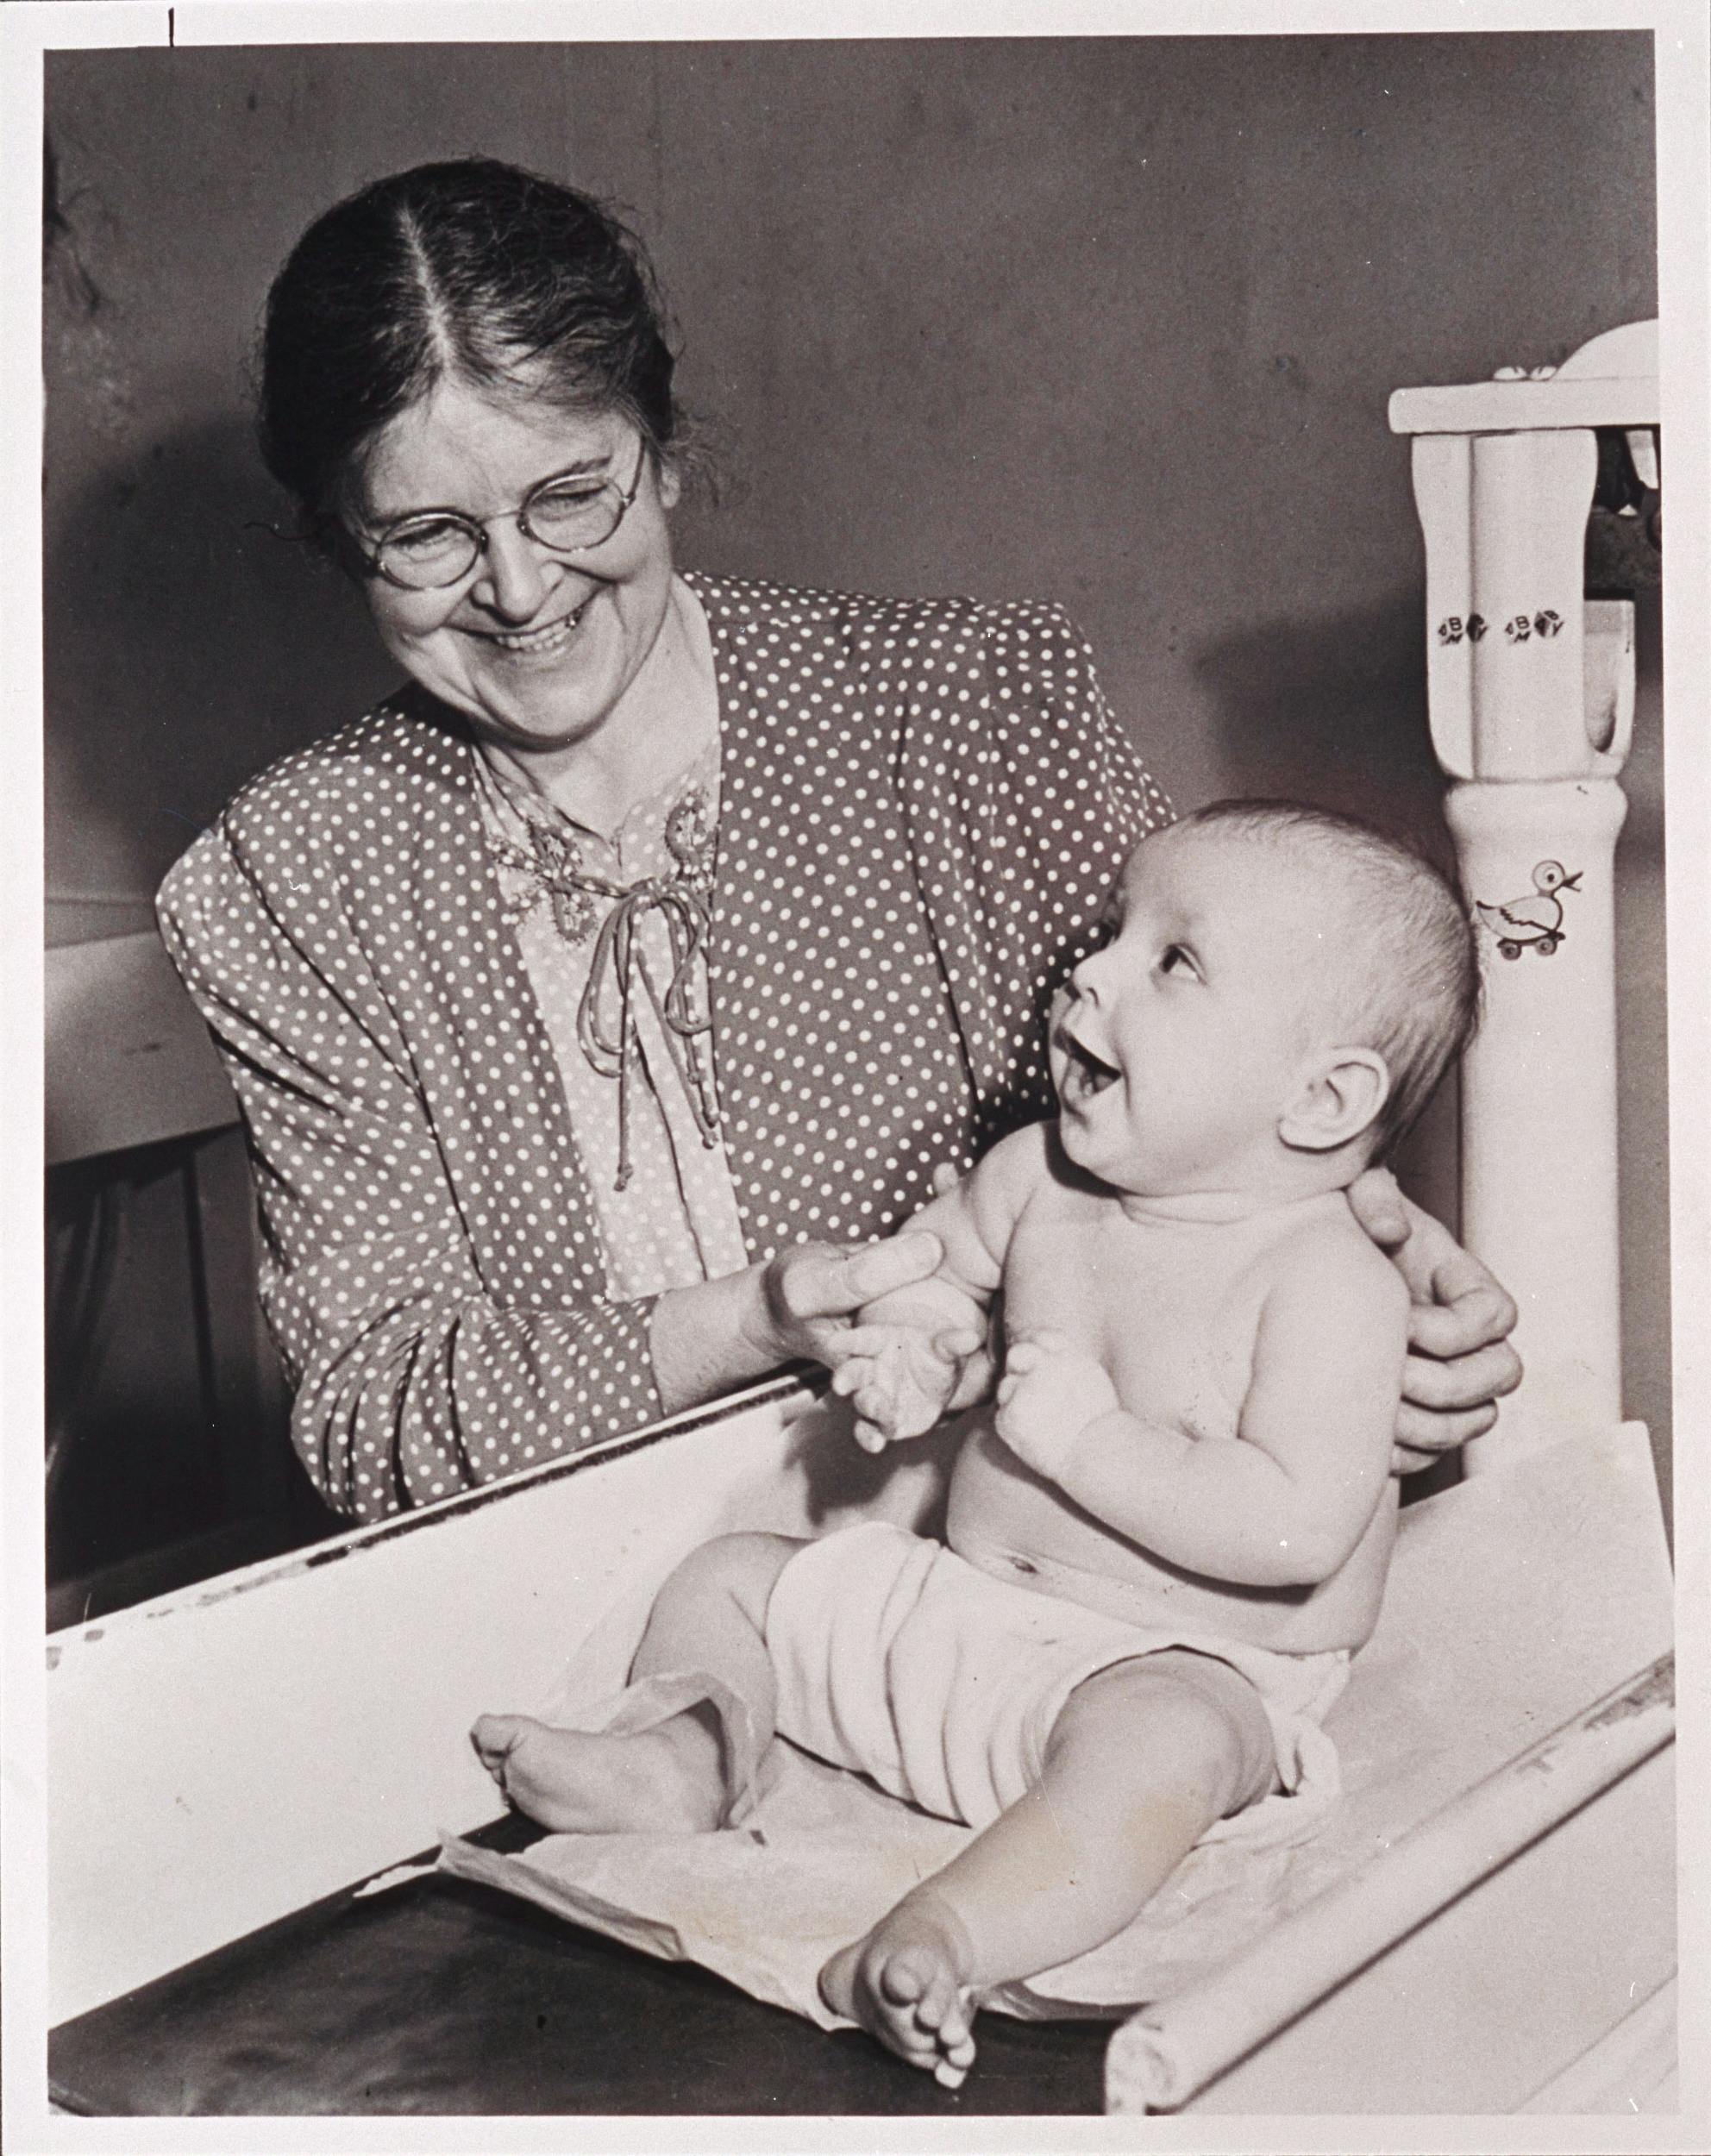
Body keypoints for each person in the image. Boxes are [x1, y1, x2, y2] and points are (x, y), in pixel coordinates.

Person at [157, 157, 1517, 1526]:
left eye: (573, 494)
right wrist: (753, 1318)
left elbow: (1234, 1145)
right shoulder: (290, 874)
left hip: (1039, 1560)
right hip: (557, 1602)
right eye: (427, 537)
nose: (518, 589)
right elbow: (371, 1421)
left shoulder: (971, 711)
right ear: (341, 540)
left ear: (664, 447)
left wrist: (1384, 1329)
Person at [471, 801, 1479, 2088]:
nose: (1093, 970)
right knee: (736, 1577)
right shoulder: (1036, 1181)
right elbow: (936, 1275)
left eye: (1173, 960)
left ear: (1325, 1096)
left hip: (1183, 1659)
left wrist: (1087, 1442)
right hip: (962, 1615)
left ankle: (954, 1929)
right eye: (1114, 930)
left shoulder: (1332, 1283)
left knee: (1162, 1756)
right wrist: (916, 1344)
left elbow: (1291, 1533)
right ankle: (688, 1757)